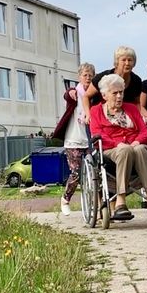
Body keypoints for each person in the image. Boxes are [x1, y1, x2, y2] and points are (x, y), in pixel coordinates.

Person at [88, 74, 147, 221]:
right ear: (104, 95)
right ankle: (120, 202)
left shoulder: (131, 108)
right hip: (112, 149)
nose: (119, 96)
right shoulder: (95, 111)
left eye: (121, 92)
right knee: (125, 150)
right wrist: (117, 144)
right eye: (115, 93)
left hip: (137, 147)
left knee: (138, 149)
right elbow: (97, 134)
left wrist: (137, 142)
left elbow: (145, 132)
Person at [51, 62, 96, 215]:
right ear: (79, 77)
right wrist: (69, 91)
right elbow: (67, 95)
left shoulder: (94, 96)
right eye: (85, 75)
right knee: (76, 173)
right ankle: (65, 199)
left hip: (90, 139)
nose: (88, 78)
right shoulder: (75, 93)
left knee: (95, 172)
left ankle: (98, 204)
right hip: (74, 139)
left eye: (90, 76)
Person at [87, 46, 147, 119]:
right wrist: (88, 115)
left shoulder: (136, 80)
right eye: (123, 60)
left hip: (123, 118)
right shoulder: (103, 77)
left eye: (130, 60)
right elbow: (86, 96)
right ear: (117, 62)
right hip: (99, 116)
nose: (127, 63)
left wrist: (145, 117)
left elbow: (137, 103)